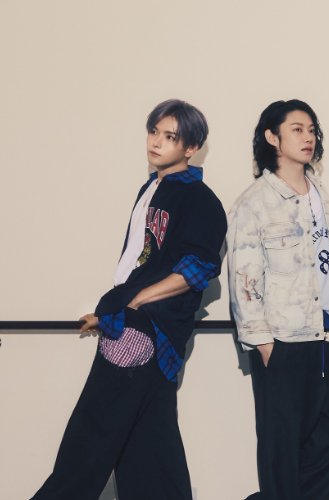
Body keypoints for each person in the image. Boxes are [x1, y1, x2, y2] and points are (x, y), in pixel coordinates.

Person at [34, 99, 226, 500]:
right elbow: (139, 261)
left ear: (191, 148)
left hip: (144, 328)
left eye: (170, 136)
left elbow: (198, 268)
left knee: (90, 439)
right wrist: (112, 309)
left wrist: (134, 304)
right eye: (154, 131)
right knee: (150, 449)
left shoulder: (200, 199)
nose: (156, 142)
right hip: (134, 324)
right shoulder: (151, 188)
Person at [227, 99, 329, 499]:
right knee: (282, 451)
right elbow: (244, 279)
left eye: (311, 130)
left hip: (326, 337)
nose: (308, 137)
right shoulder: (254, 202)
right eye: (297, 129)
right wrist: (264, 345)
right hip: (284, 342)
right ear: (272, 137)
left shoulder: (318, 194)